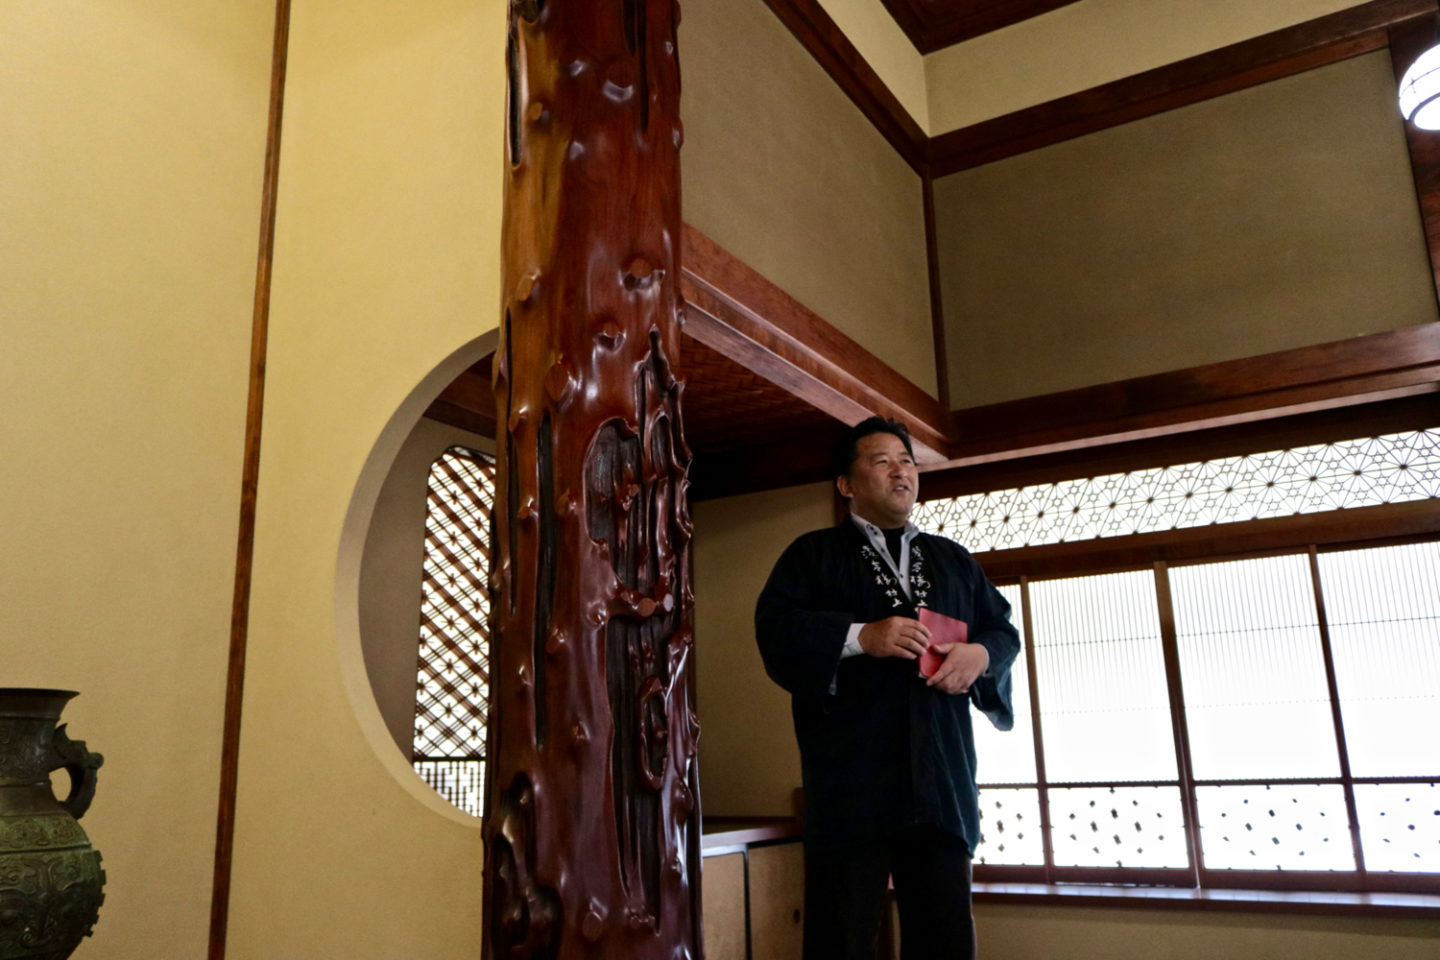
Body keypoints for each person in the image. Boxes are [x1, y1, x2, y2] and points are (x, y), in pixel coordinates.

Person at [755, 416, 1020, 960]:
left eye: (907, 461)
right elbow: (777, 631)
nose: (900, 471)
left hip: (941, 783)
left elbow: (1003, 629)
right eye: (881, 461)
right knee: (841, 936)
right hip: (852, 786)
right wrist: (859, 637)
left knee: (944, 937)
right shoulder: (813, 555)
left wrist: (981, 654)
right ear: (846, 484)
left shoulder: (953, 560)